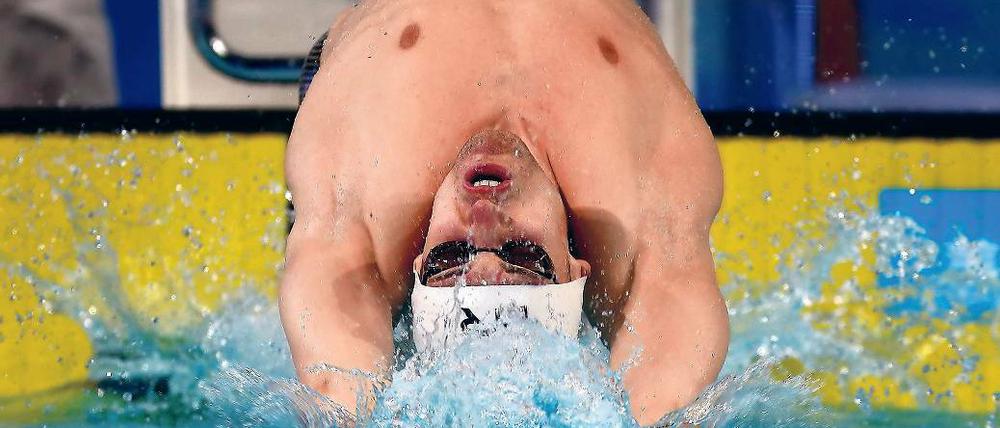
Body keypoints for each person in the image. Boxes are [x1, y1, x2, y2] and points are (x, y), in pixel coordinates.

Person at [278, 0, 729, 424]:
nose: (484, 218)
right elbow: (667, 388)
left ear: (417, 262)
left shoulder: (365, 189)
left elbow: (336, 385)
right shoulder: (642, 202)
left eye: (451, 255)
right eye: (523, 254)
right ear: (575, 270)